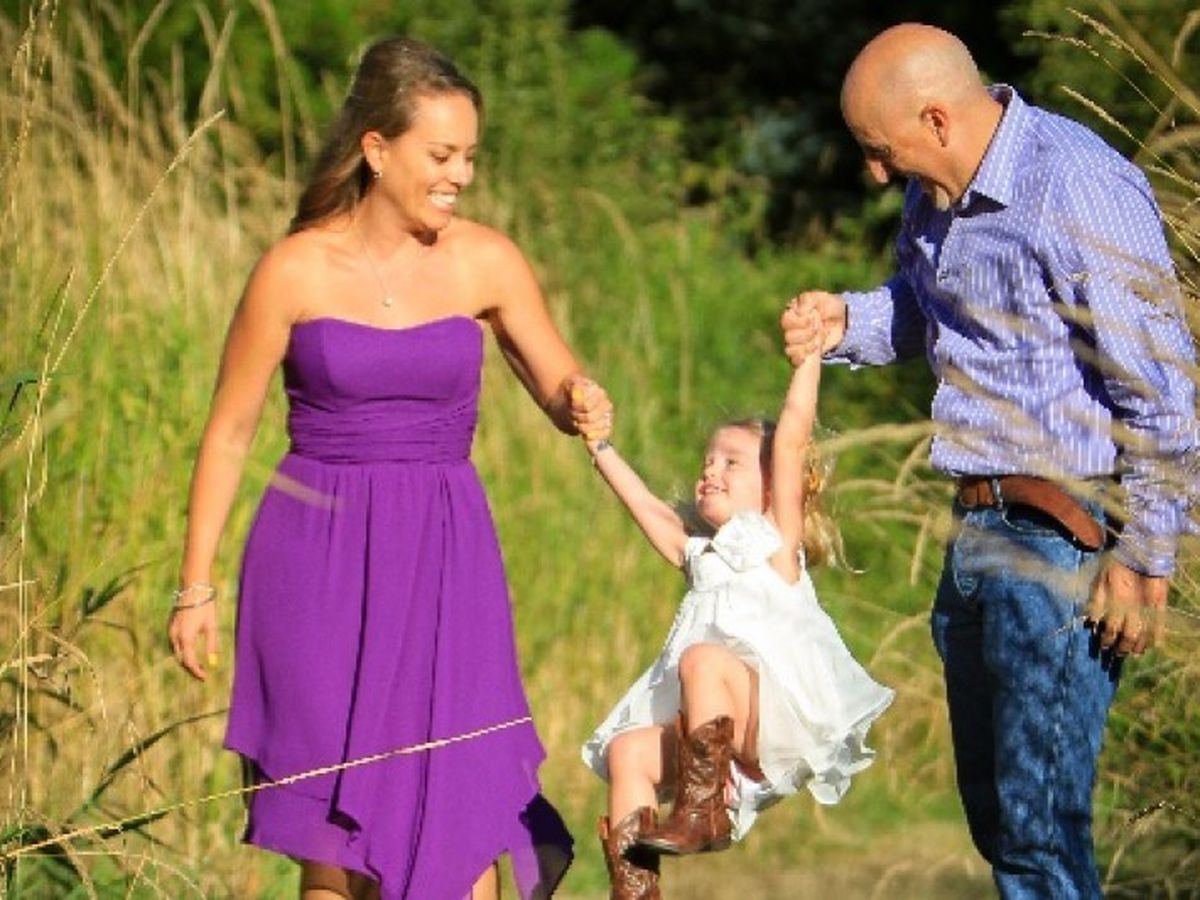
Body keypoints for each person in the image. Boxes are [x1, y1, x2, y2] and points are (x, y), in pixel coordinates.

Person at [166, 36, 613, 900]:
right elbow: (228, 432)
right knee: (334, 849)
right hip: (317, 565)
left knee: (464, 821)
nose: (461, 176)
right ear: (377, 149)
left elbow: (560, 384)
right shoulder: (294, 269)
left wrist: (581, 400)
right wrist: (196, 588)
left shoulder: (486, 259)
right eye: (441, 156)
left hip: (446, 563)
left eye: (470, 156)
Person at [783, 22, 1199, 899]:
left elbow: (1162, 389)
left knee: (1039, 832)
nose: (876, 173)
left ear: (936, 118)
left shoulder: (1076, 186)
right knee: (1002, 822)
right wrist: (845, 322)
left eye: (879, 150)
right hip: (975, 531)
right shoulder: (936, 195)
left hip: (1062, 541)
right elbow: (926, 305)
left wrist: (1145, 553)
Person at [580, 316, 894, 899]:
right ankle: (635, 890)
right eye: (708, 461)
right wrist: (599, 446)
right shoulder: (699, 555)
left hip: (770, 724)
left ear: (773, 487)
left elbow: (793, 436)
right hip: (715, 746)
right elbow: (647, 507)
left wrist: (810, 358)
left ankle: (706, 813)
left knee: (702, 659)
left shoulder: (775, 542)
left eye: (731, 462)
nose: (711, 470)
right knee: (628, 751)